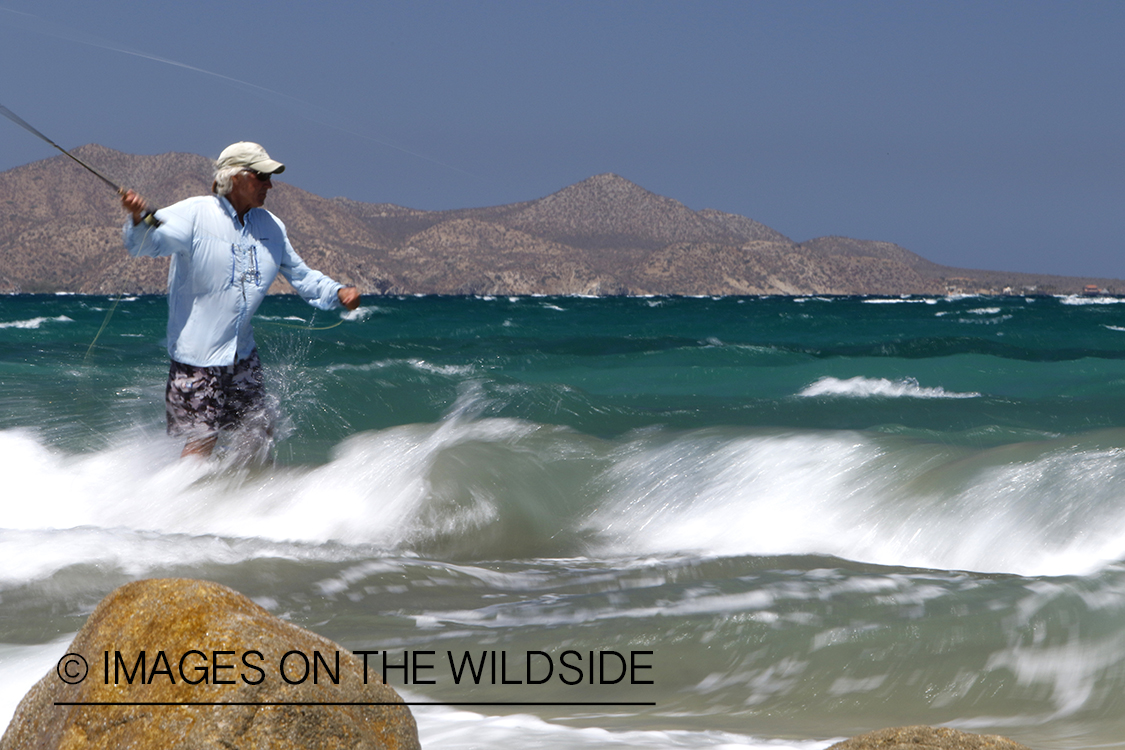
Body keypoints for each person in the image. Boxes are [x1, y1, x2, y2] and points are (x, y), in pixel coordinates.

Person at [120, 141, 361, 459]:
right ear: (235, 178)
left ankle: (241, 500)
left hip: (242, 354)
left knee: (260, 431)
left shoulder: (272, 227)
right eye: (261, 176)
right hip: (196, 359)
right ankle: (183, 505)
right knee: (202, 441)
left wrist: (337, 292)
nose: (269, 185)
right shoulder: (193, 213)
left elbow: (302, 275)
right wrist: (138, 217)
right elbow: (148, 243)